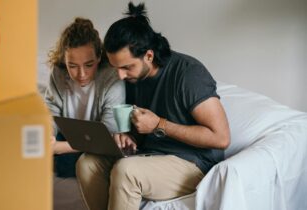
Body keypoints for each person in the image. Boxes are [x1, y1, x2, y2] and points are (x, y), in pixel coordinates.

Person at [76, 3, 231, 210]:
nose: (120, 75)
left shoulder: (188, 74)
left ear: (148, 56)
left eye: (126, 67)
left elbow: (221, 137)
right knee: (87, 164)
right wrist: (129, 137)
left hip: (193, 164)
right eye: (116, 68)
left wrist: (159, 124)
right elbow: (142, 130)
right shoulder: (133, 78)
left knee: (126, 171)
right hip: (149, 154)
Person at [45, 17, 125, 177]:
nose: (81, 74)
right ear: (64, 61)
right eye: (72, 66)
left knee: (78, 164)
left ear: (99, 57)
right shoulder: (58, 73)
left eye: (89, 65)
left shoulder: (112, 78)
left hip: (98, 143)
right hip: (67, 136)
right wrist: (48, 136)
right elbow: (50, 113)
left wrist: (58, 148)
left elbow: (109, 136)